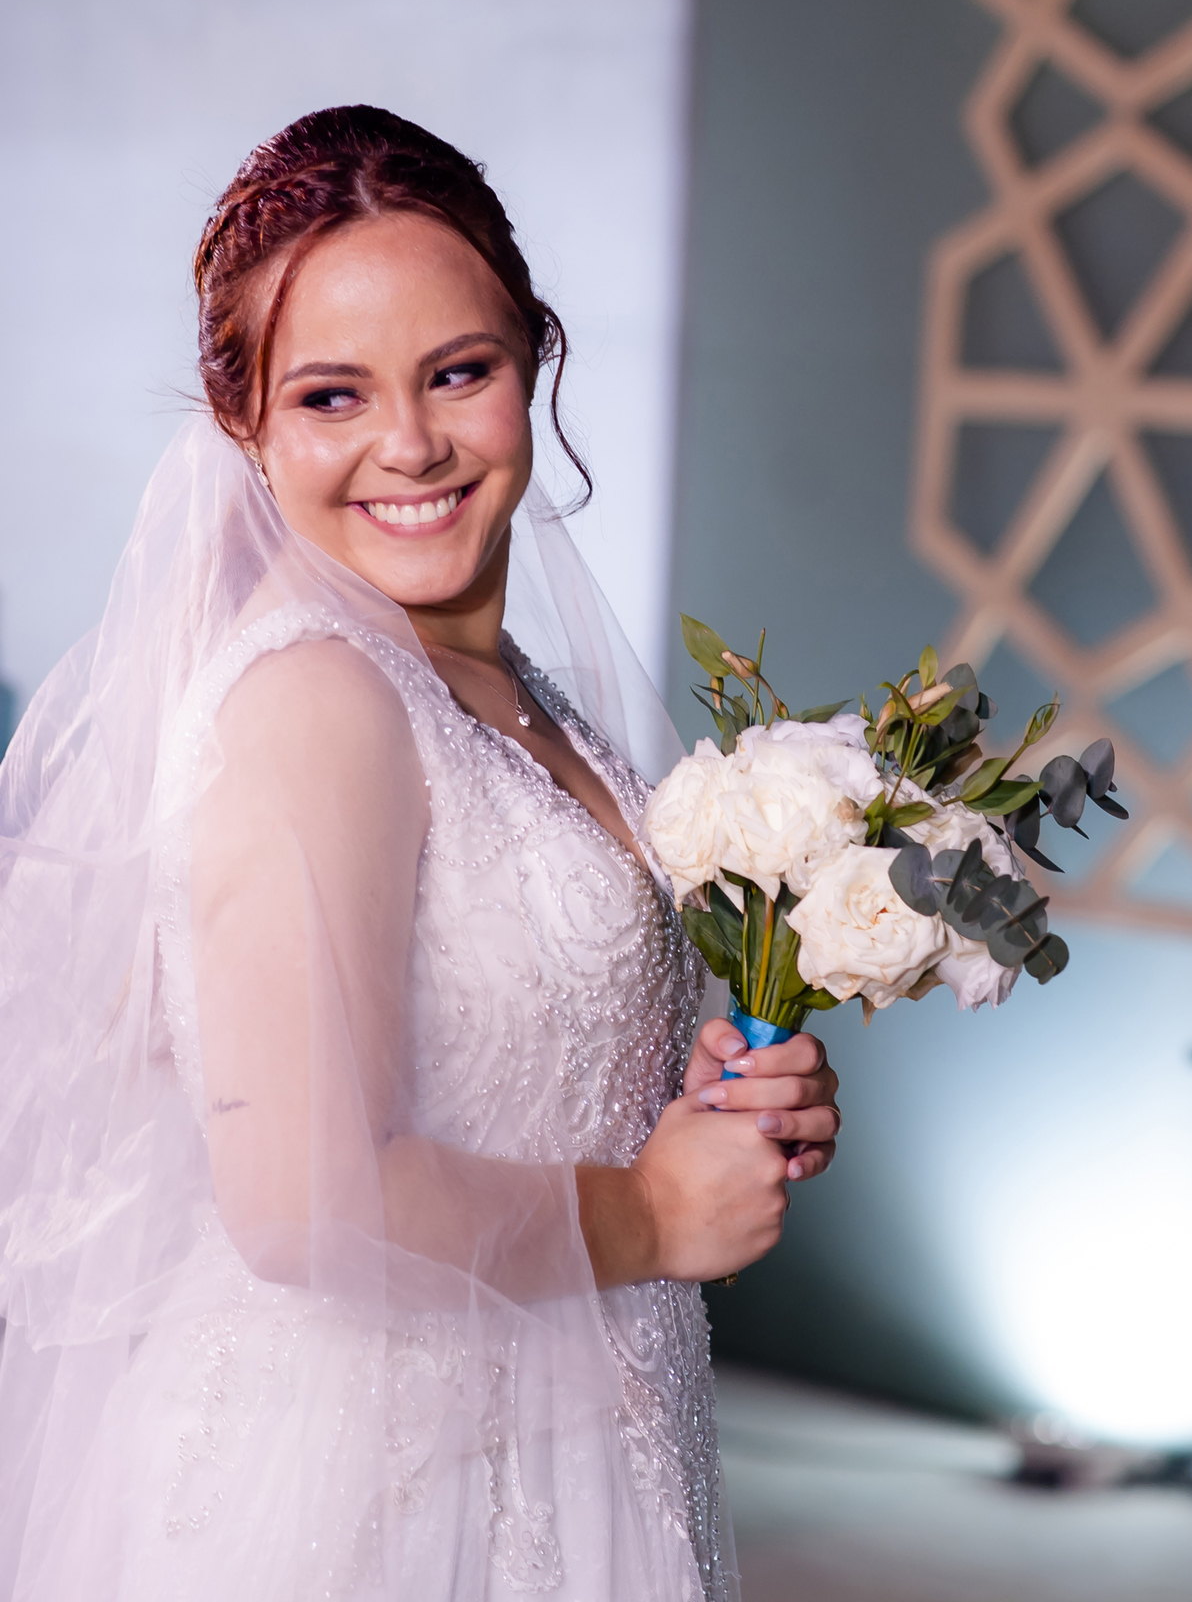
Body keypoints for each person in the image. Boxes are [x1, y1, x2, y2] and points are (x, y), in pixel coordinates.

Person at [0, 106, 840, 1602]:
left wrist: (723, 1102)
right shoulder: (316, 700)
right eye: (331, 396)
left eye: (461, 372)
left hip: (587, 1425)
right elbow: (305, 1202)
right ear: (244, 422)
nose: (411, 444)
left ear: (534, 363)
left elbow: (533, 1050)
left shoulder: (519, 690)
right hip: (363, 1495)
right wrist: (651, 1212)